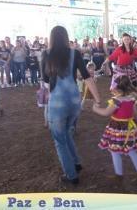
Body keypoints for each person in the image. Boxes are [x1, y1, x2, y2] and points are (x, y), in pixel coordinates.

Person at [42, 26, 100, 185]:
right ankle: (76, 163)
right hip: (75, 101)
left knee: (59, 140)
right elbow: (87, 77)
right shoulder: (75, 53)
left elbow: (46, 82)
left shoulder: (46, 54)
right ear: (66, 37)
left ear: (52, 37)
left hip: (57, 104)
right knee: (67, 133)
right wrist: (97, 98)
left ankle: (71, 175)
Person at [93, 75, 137, 181]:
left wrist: (95, 109)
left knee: (114, 151)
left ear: (116, 88)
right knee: (131, 151)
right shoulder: (131, 100)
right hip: (130, 130)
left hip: (117, 130)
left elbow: (106, 113)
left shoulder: (117, 101)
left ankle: (119, 175)